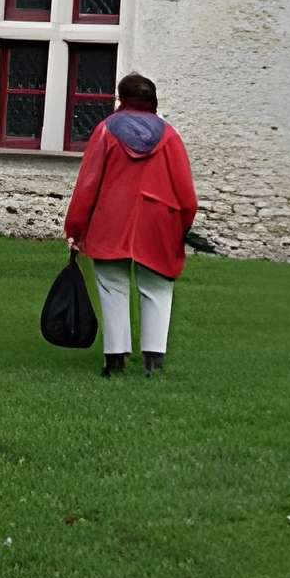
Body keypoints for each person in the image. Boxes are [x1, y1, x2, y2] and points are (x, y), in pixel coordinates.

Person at [64, 71, 196, 377]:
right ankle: (153, 362)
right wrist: (182, 227)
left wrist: (75, 228)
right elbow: (187, 196)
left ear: (120, 99)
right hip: (159, 222)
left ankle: (115, 359)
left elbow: (87, 185)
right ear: (153, 100)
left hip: (110, 220)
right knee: (157, 289)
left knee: (112, 287)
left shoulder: (106, 131)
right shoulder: (170, 136)